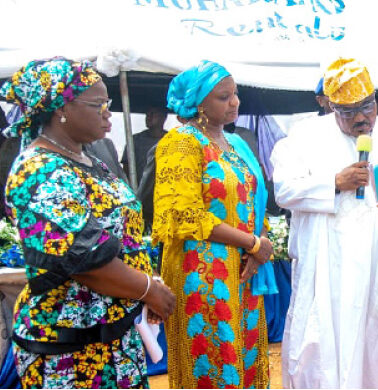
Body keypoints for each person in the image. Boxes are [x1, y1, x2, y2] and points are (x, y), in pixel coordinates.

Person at [0, 57, 176, 388]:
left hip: (114, 336)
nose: (107, 112)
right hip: (69, 345)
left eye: (108, 104)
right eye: (97, 104)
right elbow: (81, 258)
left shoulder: (91, 160)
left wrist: (143, 282)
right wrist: (148, 289)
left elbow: (125, 235)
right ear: (59, 109)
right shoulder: (39, 169)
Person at [271, 58, 378, 388]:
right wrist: (334, 182)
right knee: (322, 345)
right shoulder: (302, 137)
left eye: (366, 107)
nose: (360, 118)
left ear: (375, 100)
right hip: (326, 265)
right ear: (330, 106)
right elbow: (284, 190)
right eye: (348, 112)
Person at [152, 60, 277, 389]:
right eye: (224, 96)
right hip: (204, 271)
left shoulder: (236, 144)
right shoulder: (181, 144)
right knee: (213, 357)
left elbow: (255, 200)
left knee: (246, 355)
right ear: (198, 102)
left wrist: (259, 245)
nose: (235, 102)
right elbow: (184, 214)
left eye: (235, 94)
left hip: (246, 270)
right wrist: (251, 243)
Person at [121, 106, 168, 186]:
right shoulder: (135, 140)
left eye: (152, 114)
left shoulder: (171, 140)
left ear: (163, 117)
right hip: (139, 191)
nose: (148, 117)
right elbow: (126, 169)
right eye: (147, 114)